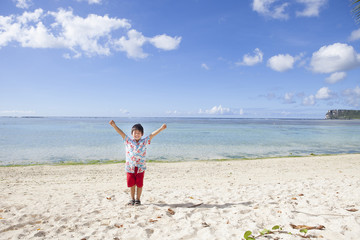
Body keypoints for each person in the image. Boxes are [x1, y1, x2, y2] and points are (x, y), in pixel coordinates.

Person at [109, 120, 167, 206]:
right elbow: (121, 133)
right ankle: (132, 199)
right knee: (131, 183)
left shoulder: (144, 141)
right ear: (132, 134)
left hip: (140, 167)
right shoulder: (128, 141)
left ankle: (138, 199)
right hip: (130, 167)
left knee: (139, 184)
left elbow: (152, 135)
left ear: (142, 134)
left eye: (138, 133)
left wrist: (161, 128)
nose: (136, 134)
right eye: (135, 133)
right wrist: (114, 126)